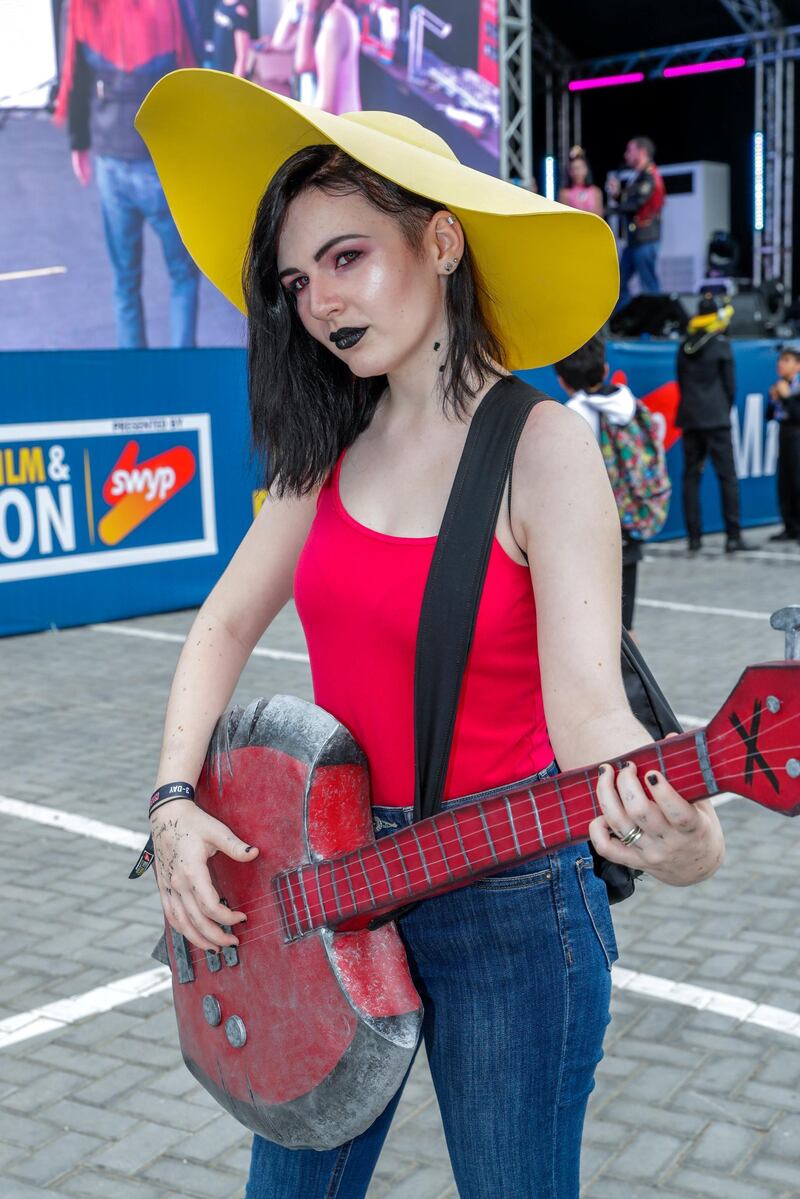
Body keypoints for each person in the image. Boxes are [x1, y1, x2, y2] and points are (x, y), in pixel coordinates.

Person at [137, 72, 725, 1198]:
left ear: (441, 242)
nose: (315, 301)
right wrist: (172, 803)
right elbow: (218, 624)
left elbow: (590, 711)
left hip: (510, 905)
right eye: (296, 280)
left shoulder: (544, 447)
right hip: (322, 878)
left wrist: (689, 836)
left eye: (346, 257)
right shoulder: (325, 449)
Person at [54, 0, 200, 350]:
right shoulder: (172, 6)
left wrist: (79, 143)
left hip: (111, 158)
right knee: (183, 275)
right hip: (162, 159)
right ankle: (183, 373)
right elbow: (192, 72)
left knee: (125, 281)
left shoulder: (83, 7)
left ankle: (135, 381)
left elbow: (73, 76)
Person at [554, 336, 643, 632]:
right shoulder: (627, 401)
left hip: (589, 518)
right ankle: (627, 642)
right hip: (628, 510)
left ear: (562, 380)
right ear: (605, 370)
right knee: (626, 579)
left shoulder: (571, 414)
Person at [676, 293, 747, 553]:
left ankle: (694, 539)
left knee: (691, 477)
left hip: (691, 417)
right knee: (727, 476)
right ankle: (733, 537)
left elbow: (682, 383)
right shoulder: (721, 344)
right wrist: (721, 411)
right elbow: (730, 386)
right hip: (716, 418)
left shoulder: (684, 345)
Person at [606, 136, 665, 312]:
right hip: (635, 240)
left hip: (645, 239)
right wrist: (617, 196)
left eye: (629, 150)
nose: (626, 155)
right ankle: (622, 322)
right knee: (619, 283)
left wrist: (609, 210)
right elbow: (631, 202)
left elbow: (636, 203)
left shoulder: (650, 176)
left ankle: (656, 324)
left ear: (641, 152)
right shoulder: (639, 176)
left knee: (649, 285)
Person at [294, 0, 362, 112]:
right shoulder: (333, 15)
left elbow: (326, 107)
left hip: (337, 124)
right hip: (339, 122)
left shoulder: (336, 19)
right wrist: (308, 9)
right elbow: (303, 62)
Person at [766, 343, 800, 543]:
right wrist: (774, 399)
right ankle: (790, 527)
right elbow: (769, 415)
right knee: (784, 484)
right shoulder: (780, 385)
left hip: (797, 435)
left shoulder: (794, 388)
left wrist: (787, 397)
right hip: (784, 435)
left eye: (786, 360)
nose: (780, 364)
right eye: (780, 360)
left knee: (797, 482)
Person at [558, 145, 604, 216]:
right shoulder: (564, 193)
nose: (577, 172)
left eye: (580, 168)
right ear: (569, 172)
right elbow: (563, 217)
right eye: (574, 169)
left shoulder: (596, 191)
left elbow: (600, 216)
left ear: (587, 169)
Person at [211, 0, 254, 76]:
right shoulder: (221, 3)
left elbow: (242, 55)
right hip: (218, 67)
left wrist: (236, 83)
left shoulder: (240, 11)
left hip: (231, 73)